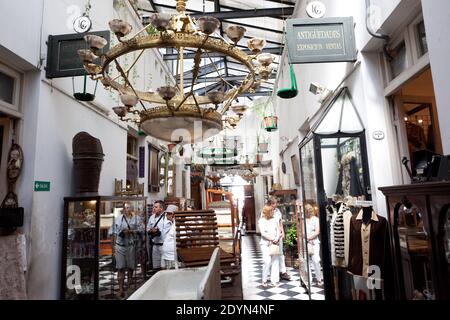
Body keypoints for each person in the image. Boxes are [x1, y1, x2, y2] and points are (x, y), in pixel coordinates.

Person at [112, 202, 142, 298]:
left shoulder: (136, 218)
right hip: (120, 246)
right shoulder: (119, 218)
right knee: (120, 268)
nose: (127, 210)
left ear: (131, 209)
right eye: (125, 208)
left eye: (128, 208)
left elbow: (141, 230)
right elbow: (113, 232)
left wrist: (132, 231)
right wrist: (113, 247)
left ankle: (129, 285)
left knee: (130, 267)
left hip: (131, 246)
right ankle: (120, 289)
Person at [267, 197, 291, 281]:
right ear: (270, 204)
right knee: (272, 254)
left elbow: (280, 222)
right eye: (273, 203)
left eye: (276, 203)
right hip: (271, 236)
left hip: (278, 234)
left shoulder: (278, 211)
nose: (275, 205)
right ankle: (272, 273)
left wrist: (282, 232)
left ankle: (283, 272)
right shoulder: (266, 211)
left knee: (280, 253)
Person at [259, 205, 282, 288]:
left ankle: (274, 280)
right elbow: (263, 233)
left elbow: (279, 230)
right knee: (267, 261)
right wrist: (272, 239)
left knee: (275, 261)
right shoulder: (261, 221)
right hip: (265, 244)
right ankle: (264, 279)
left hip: (275, 243)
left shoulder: (274, 220)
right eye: (272, 211)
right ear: (268, 212)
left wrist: (277, 238)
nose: (273, 212)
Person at [305, 204, 323, 286]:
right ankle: (309, 279)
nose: (308, 212)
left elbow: (317, 231)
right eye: (307, 211)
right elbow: (301, 231)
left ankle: (319, 278)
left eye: (309, 210)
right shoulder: (303, 220)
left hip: (314, 242)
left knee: (316, 260)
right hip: (306, 242)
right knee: (306, 261)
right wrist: (307, 239)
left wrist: (310, 238)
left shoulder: (316, 219)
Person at [146, 200, 166, 271]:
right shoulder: (151, 217)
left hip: (164, 246)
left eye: (156, 207)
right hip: (155, 245)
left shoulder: (166, 217)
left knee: (163, 267)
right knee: (156, 267)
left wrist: (158, 231)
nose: (153, 208)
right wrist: (151, 230)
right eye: (153, 207)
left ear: (161, 208)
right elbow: (147, 228)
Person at [161, 205, 179, 269]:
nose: (166, 215)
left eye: (168, 214)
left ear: (172, 214)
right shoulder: (169, 223)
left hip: (172, 256)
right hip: (167, 255)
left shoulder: (177, 225)